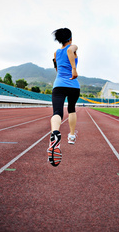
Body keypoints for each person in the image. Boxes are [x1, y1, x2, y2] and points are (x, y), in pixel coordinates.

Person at [47, 28, 80, 167]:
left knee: (57, 112)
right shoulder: (73, 47)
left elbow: (56, 68)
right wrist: (73, 69)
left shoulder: (55, 53)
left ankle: (55, 134)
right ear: (70, 38)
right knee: (71, 109)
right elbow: (69, 51)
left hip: (59, 84)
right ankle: (71, 136)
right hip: (73, 85)